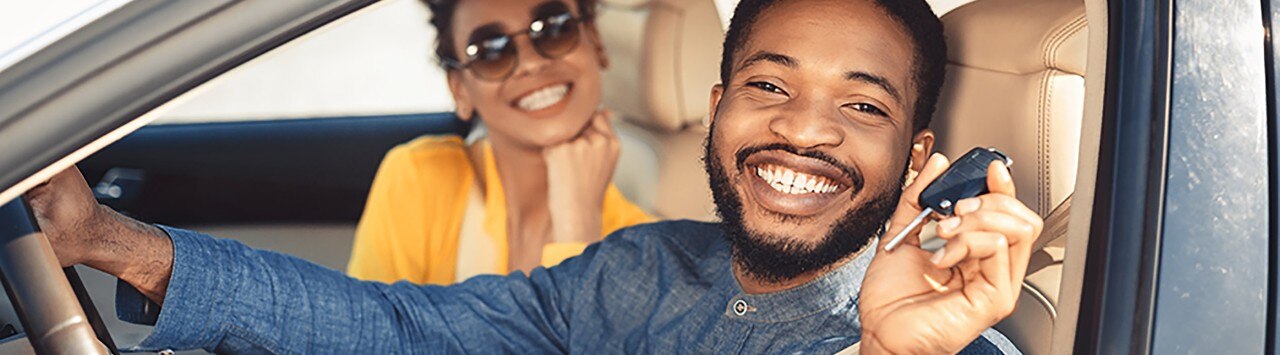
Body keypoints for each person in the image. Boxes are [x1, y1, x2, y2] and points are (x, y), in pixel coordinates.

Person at [23, 0, 1043, 353]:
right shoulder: (639, 269)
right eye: (767, 84)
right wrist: (109, 240)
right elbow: (396, 328)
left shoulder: (936, 337)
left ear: (916, 160)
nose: (800, 130)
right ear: (719, 103)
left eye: (861, 105)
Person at [347, 0, 651, 285]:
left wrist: (578, 228)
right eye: (491, 52)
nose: (531, 63)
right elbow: (367, 339)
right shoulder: (418, 178)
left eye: (555, 29)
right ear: (460, 90)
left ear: (595, 42)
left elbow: (585, 342)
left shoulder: (643, 248)